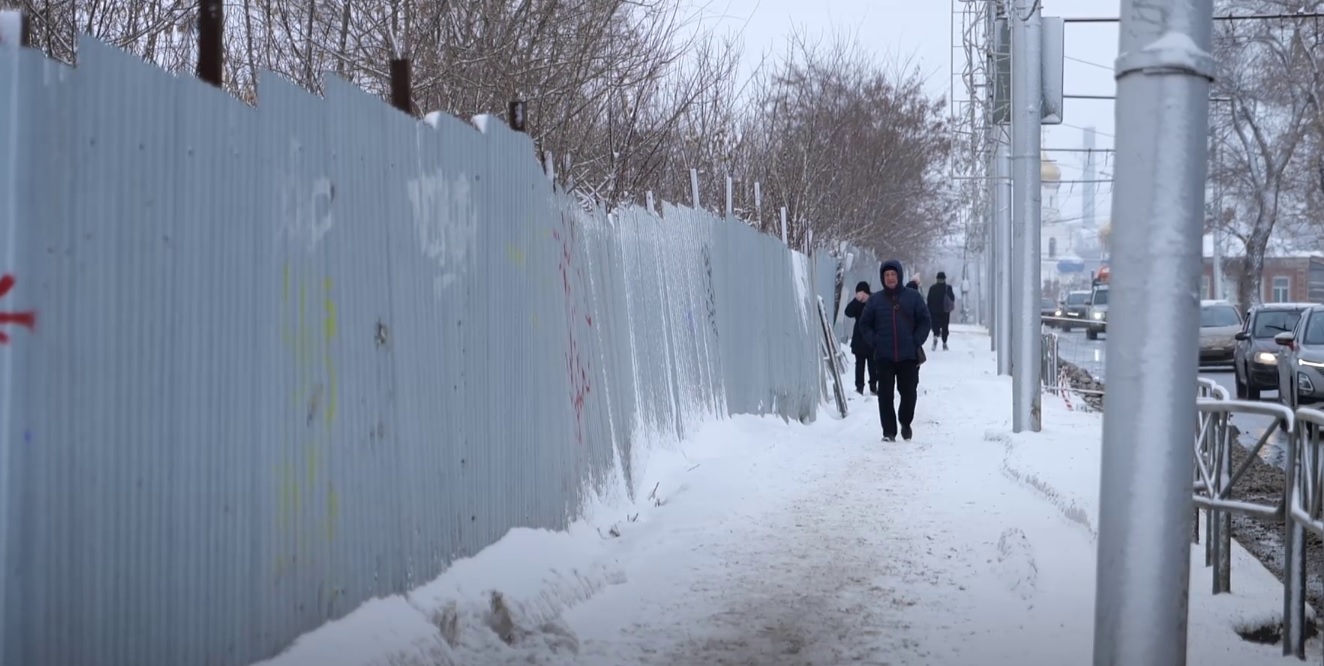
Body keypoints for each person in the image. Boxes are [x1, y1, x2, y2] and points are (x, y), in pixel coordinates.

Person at [859, 259, 931, 442]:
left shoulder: (913, 297)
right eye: (886, 275)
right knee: (885, 395)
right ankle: (888, 432)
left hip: (908, 355)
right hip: (884, 356)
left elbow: (925, 320)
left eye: (893, 274)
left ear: (899, 275)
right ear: (883, 278)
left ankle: (905, 422)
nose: (890, 278)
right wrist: (875, 341)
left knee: (908, 392)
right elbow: (864, 324)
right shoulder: (875, 300)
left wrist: (915, 340)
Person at [843, 281, 876, 395]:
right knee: (859, 365)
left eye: (861, 293)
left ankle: (873, 386)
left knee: (873, 364)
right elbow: (848, 312)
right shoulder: (857, 303)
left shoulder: (874, 301)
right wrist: (856, 300)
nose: (859, 295)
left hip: (872, 338)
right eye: (857, 293)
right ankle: (859, 387)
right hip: (859, 339)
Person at [926, 271, 957, 351]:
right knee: (945, 326)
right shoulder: (948, 288)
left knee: (935, 325)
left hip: (934, 311)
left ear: (937, 279)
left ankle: (935, 336)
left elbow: (929, 300)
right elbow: (952, 298)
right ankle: (944, 343)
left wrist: (928, 310)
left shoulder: (932, 288)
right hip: (945, 311)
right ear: (944, 279)